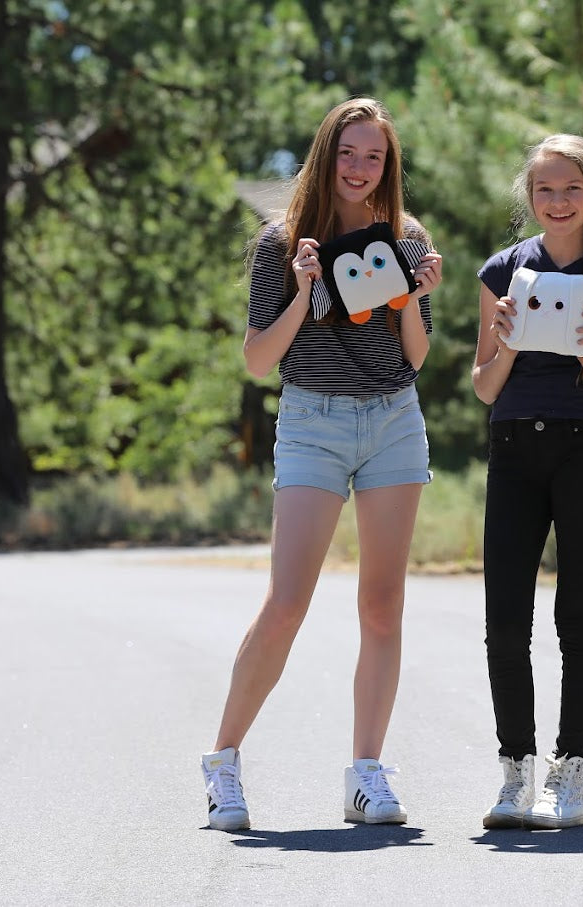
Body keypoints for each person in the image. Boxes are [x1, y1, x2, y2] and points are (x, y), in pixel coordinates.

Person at [200, 97, 443, 831]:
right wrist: (305, 290)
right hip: (313, 419)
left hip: (393, 420)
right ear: (325, 155)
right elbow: (256, 360)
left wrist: (414, 296)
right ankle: (223, 763)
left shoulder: (405, 238)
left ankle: (366, 772)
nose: (360, 169)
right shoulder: (280, 243)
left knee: (382, 605)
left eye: (374, 157)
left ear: (387, 166)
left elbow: (416, 356)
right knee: (286, 604)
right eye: (348, 153)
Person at [471, 134, 583, 829]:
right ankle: (515, 773)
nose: (557, 201)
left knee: (578, 619)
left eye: (572, 188)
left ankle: (568, 777)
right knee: (504, 623)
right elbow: (485, 387)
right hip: (515, 450)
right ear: (529, 196)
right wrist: (510, 341)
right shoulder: (501, 273)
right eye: (545, 189)